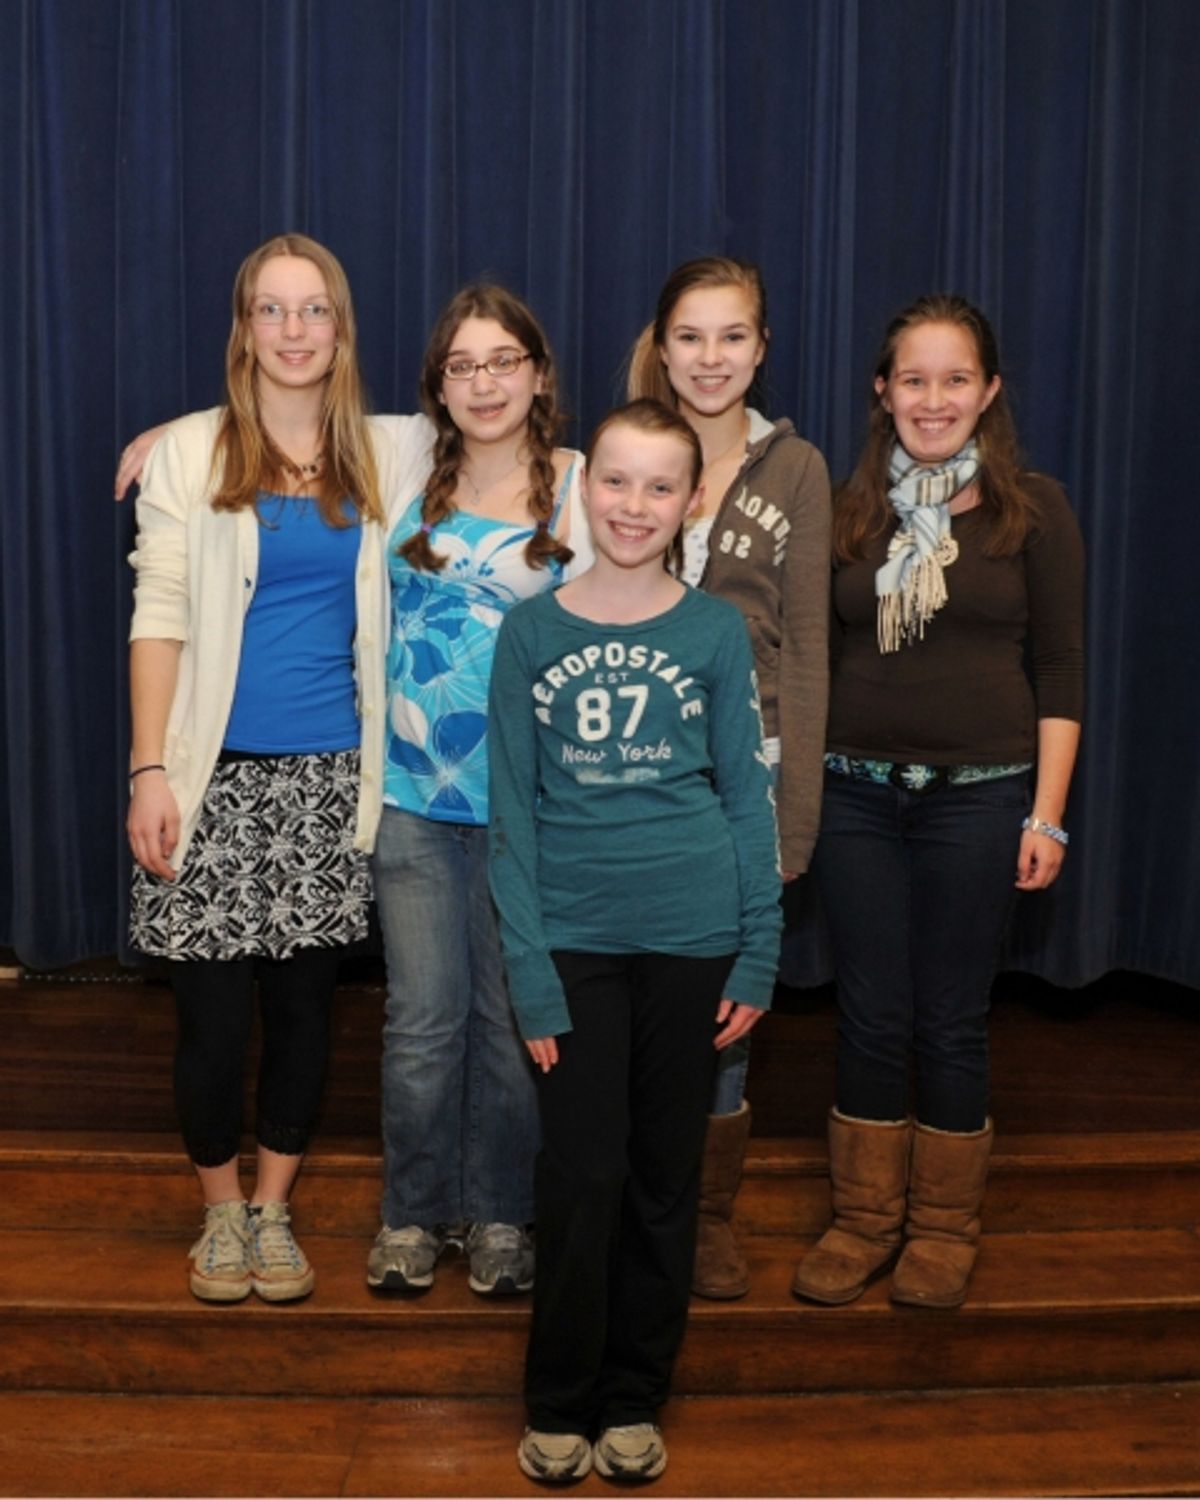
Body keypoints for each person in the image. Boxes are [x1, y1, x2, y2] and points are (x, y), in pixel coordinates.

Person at [488, 399, 782, 1484]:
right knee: (582, 1173)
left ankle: (632, 1395)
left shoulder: (711, 631)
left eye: (661, 486)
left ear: (690, 502)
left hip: (695, 938)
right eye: (617, 481)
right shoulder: (531, 631)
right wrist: (529, 972)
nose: (634, 505)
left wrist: (758, 951)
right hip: (572, 946)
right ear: (583, 486)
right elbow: (511, 817)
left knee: (665, 1177)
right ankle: (558, 1396)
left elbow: (748, 800)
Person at [791, 294, 1084, 1311]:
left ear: (989, 391)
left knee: (951, 1020)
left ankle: (943, 1229)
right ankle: (865, 1220)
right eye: (912, 378)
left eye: (955, 378)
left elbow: (1061, 669)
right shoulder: (846, 510)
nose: (933, 398)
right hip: (856, 799)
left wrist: (1044, 815)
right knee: (869, 1015)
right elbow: (816, 660)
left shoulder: (1032, 512)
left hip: (983, 801)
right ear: (882, 392)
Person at [126, 232, 401, 1303]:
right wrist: (149, 769)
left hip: (330, 783)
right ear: (244, 328)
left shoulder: (389, 451)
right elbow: (158, 616)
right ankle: (220, 1215)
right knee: (211, 1023)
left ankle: (276, 1211)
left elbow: (510, 436)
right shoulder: (193, 454)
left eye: (315, 309)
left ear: (341, 329)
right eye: (272, 310)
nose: (294, 331)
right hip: (209, 781)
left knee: (301, 1016)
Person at [367, 283, 591, 1298]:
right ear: (438, 388)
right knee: (421, 1023)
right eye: (463, 365)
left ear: (539, 374)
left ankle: (501, 1213)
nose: (485, 382)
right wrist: (169, 438)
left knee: (512, 1027)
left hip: (530, 812)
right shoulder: (404, 463)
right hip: (413, 800)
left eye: (505, 360)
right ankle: (413, 1214)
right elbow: (284, 413)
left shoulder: (583, 487)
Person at [627, 257, 830, 1298]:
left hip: (742, 778)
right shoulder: (619, 453)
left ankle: (702, 1213)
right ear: (662, 348)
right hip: (626, 772)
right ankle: (626, 1192)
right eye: (692, 337)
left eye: (733, 337)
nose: (711, 358)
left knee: (725, 1002)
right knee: (626, 989)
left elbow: (805, 650)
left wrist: (793, 824)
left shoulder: (796, 470)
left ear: (761, 348)